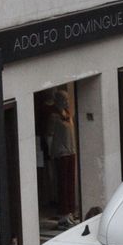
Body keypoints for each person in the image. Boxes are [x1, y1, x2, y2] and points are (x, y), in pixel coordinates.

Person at [47, 90, 77, 225]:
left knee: (70, 182)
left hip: (71, 151)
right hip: (61, 153)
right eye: (64, 99)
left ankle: (70, 210)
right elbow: (49, 135)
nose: (67, 102)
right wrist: (50, 153)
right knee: (63, 183)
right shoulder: (54, 117)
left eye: (67, 99)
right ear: (58, 100)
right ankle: (63, 212)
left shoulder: (68, 115)